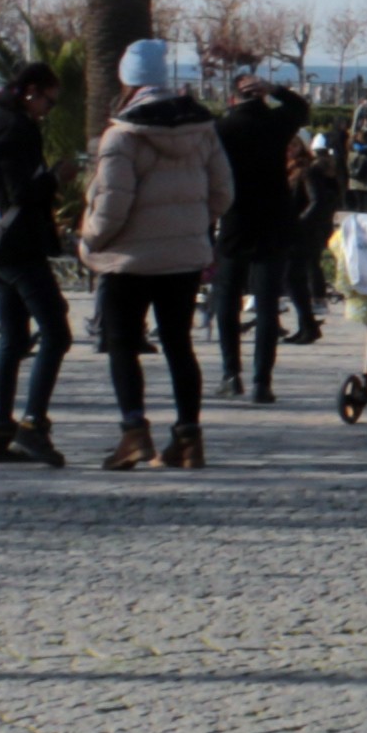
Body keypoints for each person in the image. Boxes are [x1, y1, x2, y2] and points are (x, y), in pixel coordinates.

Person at [79, 41, 231, 471]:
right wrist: (193, 227)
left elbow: (111, 207)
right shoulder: (202, 129)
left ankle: (134, 433)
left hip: (128, 260)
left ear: (126, 80)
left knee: (123, 345)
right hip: (183, 259)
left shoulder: (121, 135)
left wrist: (90, 240)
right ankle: (188, 437)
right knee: (180, 345)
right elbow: (224, 192)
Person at [0, 64, 75, 467]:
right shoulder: (16, 128)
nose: (49, 109)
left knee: (13, 339)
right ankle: (32, 425)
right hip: (16, 247)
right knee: (56, 332)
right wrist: (56, 177)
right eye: (49, 100)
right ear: (31, 91)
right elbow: (22, 191)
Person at [209, 65, 307, 406]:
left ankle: (230, 373)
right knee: (267, 305)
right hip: (273, 218)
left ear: (233, 96)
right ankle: (262, 382)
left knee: (228, 297)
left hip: (235, 217)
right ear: (259, 93)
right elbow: (301, 109)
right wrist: (275, 90)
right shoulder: (277, 124)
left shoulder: (221, 128)